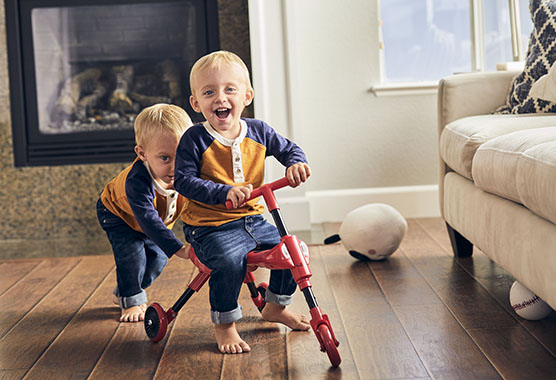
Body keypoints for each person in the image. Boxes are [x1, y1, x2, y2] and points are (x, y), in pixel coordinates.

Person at [174, 50, 312, 354]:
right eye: (209, 92)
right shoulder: (194, 139)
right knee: (227, 260)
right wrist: (222, 192)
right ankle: (225, 324)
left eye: (229, 89)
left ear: (247, 95)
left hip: (253, 221)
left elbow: (290, 149)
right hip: (210, 227)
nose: (219, 98)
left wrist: (295, 164)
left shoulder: (259, 131)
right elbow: (183, 181)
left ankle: (275, 306)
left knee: (293, 250)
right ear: (196, 103)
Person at [97, 103, 192, 322]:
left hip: (154, 222)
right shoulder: (137, 182)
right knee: (133, 257)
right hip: (117, 215)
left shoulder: (187, 174)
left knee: (158, 261)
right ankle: (130, 300)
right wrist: (178, 248)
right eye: (165, 158)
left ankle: (124, 290)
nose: (175, 168)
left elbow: (194, 207)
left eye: (183, 157)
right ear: (142, 153)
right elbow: (148, 220)